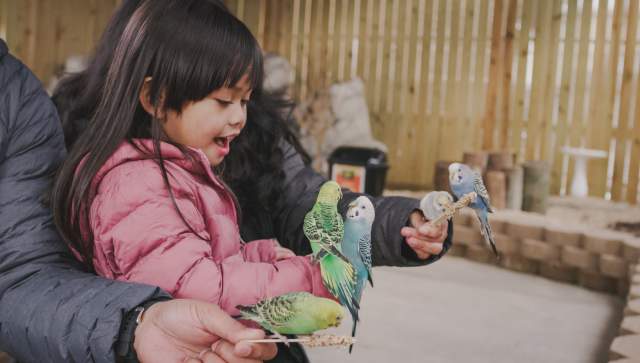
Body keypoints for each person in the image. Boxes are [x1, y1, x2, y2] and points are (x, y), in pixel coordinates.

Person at [0, 36, 277, 363]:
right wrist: (312, 277)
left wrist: (136, 327)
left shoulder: (17, 93)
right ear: (156, 98)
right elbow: (194, 281)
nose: (239, 118)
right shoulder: (136, 183)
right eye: (222, 100)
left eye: (244, 101)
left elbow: (22, 275)